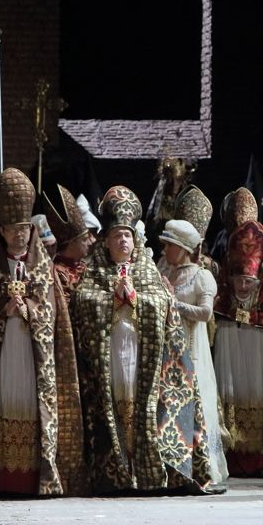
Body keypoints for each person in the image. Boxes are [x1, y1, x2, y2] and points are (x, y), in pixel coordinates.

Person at [0, 168, 86, 497]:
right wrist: (2, 313)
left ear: (31, 231)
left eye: (25, 229)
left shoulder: (43, 267)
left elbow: (51, 314)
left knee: (33, 407)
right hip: (4, 354)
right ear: (3, 232)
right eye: (13, 230)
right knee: (6, 402)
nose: (20, 236)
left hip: (34, 353)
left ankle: (37, 477)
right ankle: (4, 478)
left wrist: (30, 311)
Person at [71, 185, 211, 493]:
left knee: (142, 408)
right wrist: (110, 300)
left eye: (128, 235)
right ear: (105, 241)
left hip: (142, 358)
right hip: (110, 357)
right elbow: (82, 301)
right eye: (117, 235)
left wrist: (134, 297)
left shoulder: (147, 269)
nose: (123, 240)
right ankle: (118, 472)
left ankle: (145, 470)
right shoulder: (92, 270)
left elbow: (162, 303)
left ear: (136, 240)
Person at [213, 187, 263, 477]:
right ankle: (231, 457)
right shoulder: (222, 300)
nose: (243, 287)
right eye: (238, 281)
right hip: (230, 343)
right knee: (228, 394)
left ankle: (259, 459)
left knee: (259, 397)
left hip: (256, 349)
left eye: (249, 282)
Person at [158, 219, 229, 488]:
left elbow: (205, 312)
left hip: (193, 350)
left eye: (170, 246)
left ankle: (202, 463)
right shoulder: (162, 271)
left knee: (197, 401)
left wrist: (175, 306)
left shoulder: (201, 276)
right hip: (169, 352)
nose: (165, 250)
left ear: (184, 248)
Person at [43, 184, 95, 302]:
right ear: (72, 243)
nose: (92, 241)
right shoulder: (56, 272)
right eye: (85, 239)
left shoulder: (84, 266)